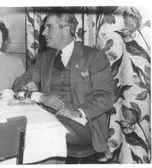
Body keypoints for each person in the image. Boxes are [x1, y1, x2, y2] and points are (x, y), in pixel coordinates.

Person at [13, 13, 115, 153]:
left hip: (84, 124)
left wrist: (78, 113)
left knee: (39, 130)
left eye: (49, 27)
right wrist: (41, 97)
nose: (43, 33)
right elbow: (18, 85)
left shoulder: (94, 57)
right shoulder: (44, 58)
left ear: (66, 30)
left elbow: (106, 96)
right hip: (48, 118)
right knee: (22, 126)